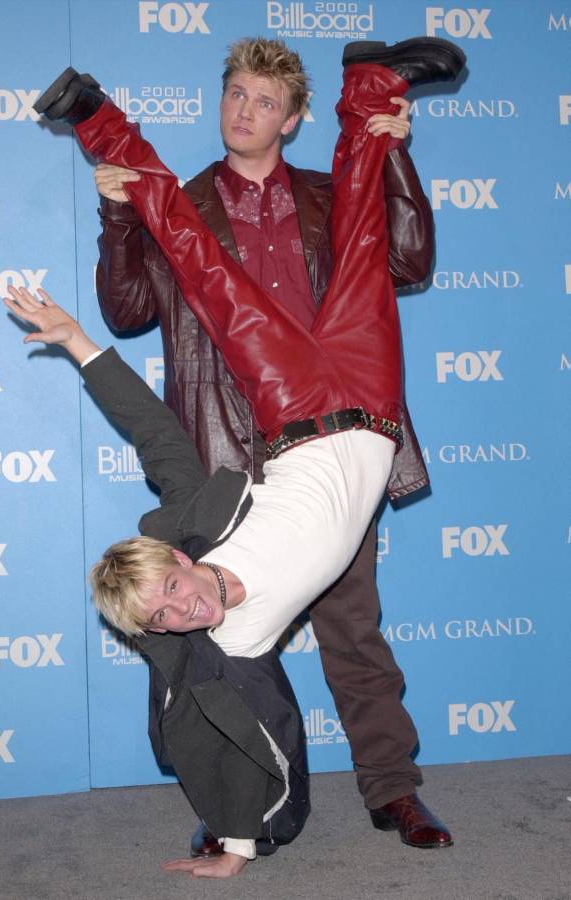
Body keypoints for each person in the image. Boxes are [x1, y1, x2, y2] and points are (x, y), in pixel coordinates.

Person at [28, 37, 465, 877]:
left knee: (355, 630)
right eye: (235, 94)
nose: (245, 110)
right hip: (283, 423)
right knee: (204, 251)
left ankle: (392, 788)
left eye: (265, 100)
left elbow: (407, 258)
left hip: (297, 401)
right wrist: (120, 208)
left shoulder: (321, 193)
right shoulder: (188, 196)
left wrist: (392, 148)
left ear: (292, 120)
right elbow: (126, 309)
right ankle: (357, 73)